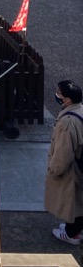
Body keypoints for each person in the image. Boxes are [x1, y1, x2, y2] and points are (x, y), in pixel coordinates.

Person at [45, 79, 83, 245]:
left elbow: (63, 152)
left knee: (72, 202)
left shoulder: (67, 121)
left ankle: (71, 234)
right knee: (78, 200)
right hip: (80, 163)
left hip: (73, 169)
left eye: (59, 93)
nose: (57, 95)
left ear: (68, 100)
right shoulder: (80, 110)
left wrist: (54, 169)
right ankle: (73, 229)